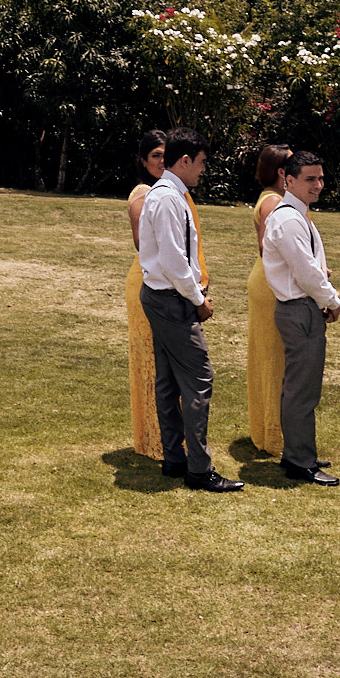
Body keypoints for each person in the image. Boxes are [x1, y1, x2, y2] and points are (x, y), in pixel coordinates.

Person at [138, 127, 243, 492]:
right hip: (171, 299)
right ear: (183, 161)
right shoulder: (168, 198)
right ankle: (198, 468)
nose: (203, 170)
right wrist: (198, 300)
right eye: (200, 163)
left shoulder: (168, 194)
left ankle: (175, 458)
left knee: (168, 380)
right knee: (199, 379)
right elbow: (173, 260)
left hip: (160, 295)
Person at [261, 151, 340, 485]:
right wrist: (332, 299)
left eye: (320, 178)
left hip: (301, 306)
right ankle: (299, 459)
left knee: (301, 387)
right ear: (288, 180)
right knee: (301, 389)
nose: (318, 185)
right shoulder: (290, 219)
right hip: (299, 308)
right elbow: (306, 273)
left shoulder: (295, 215)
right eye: (310, 179)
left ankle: (298, 450)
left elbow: (308, 266)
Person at [247, 143, 292, 456]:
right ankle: (275, 434)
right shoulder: (273, 202)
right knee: (275, 358)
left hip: (265, 280)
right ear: (280, 172)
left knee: (271, 357)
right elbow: (269, 248)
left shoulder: (269, 198)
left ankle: (268, 428)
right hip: (272, 283)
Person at [126, 130, 168, 460]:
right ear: (143, 160)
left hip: (163, 276)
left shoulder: (166, 192)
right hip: (145, 278)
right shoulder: (143, 193)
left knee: (164, 358)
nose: (161, 161)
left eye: (166, 154)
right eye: (155, 155)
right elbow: (144, 243)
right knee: (150, 356)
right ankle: (153, 437)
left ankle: (165, 432)